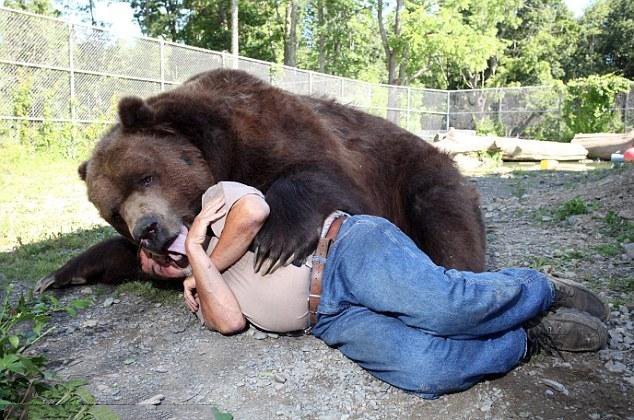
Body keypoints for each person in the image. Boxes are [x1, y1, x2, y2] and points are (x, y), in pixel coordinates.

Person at [140, 181, 609, 399]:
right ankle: (528, 341)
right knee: (426, 370)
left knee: (444, 307)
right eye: (152, 268)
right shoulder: (198, 289)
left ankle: (539, 289)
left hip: (346, 248)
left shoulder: (213, 202)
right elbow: (230, 321)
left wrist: (203, 239)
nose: (158, 260)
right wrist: (196, 268)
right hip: (329, 319)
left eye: (154, 248)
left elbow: (255, 212)